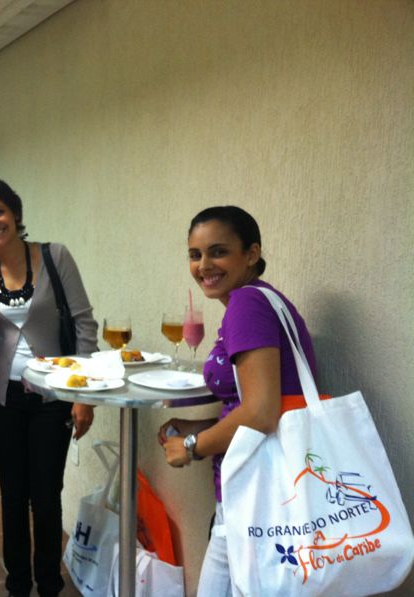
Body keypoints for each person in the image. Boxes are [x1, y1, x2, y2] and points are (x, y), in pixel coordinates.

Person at [157, 206, 317, 596]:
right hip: (264, 488)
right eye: (195, 255)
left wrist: (193, 445)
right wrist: (201, 426)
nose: (203, 265)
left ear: (251, 253)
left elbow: (261, 413)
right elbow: (263, 403)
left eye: (218, 252)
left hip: (254, 494)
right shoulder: (262, 300)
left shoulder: (247, 305)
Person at [0, 176, 98, 597]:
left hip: (53, 396)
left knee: (46, 494)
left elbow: (84, 325)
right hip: (1, 398)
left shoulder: (55, 257)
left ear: (15, 213)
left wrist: (82, 396)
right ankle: (18, 585)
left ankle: (49, 585)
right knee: (12, 495)